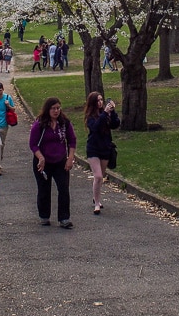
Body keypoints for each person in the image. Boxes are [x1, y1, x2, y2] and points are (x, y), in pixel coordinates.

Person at [29, 97, 76, 229]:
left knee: (63, 188)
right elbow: (33, 144)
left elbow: (72, 140)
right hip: (43, 162)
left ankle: (64, 218)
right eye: (53, 108)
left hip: (60, 161)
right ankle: (44, 216)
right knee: (44, 189)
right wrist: (40, 157)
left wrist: (70, 158)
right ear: (47, 109)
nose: (56, 111)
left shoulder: (64, 123)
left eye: (58, 108)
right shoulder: (40, 124)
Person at [84, 92, 120, 215]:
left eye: (101, 100)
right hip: (93, 148)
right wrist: (104, 113)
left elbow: (116, 125)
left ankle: (96, 196)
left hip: (105, 147)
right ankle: (97, 204)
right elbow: (96, 127)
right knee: (98, 176)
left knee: (101, 178)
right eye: (97, 100)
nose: (100, 102)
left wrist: (113, 112)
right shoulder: (90, 116)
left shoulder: (107, 114)